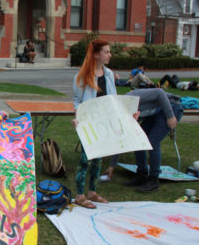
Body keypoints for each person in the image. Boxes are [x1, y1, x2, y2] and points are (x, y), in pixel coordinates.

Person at [71, 39, 116, 209]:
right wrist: (78, 117)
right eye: (106, 52)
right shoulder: (83, 75)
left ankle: (92, 192)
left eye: (109, 52)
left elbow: (113, 99)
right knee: (85, 160)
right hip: (88, 123)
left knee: (98, 159)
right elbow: (77, 100)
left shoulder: (109, 74)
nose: (109, 55)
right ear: (96, 54)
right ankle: (80, 195)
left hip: (104, 122)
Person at [122, 88, 184, 193]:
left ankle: (154, 180)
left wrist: (170, 116)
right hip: (155, 111)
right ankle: (141, 174)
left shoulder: (133, 96)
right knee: (138, 139)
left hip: (171, 107)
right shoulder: (123, 113)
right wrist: (112, 166)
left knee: (153, 142)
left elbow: (160, 92)